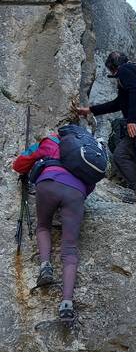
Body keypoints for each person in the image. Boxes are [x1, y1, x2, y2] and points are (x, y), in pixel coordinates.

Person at [12, 132, 93, 323]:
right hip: (76, 192)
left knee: (43, 226)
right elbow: (92, 181)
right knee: (70, 251)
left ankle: (45, 266)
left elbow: (19, 165)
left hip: (48, 184)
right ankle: (66, 304)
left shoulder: (51, 140)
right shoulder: (90, 149)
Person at [76, 52, 136, 204]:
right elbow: (118, 103)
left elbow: (135, 91)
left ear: (112, 67)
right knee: (121, 154)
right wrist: (90, 110)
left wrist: (131, 121)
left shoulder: (126, 69)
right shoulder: (131, 72)